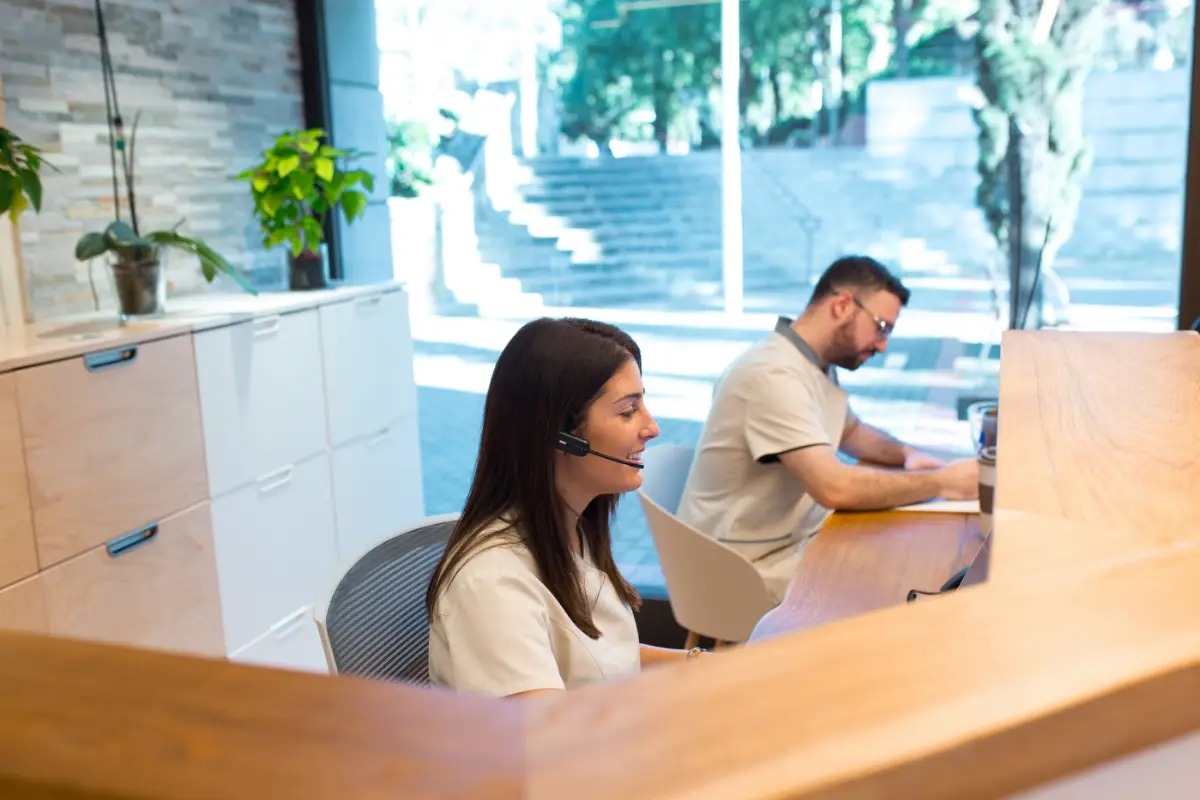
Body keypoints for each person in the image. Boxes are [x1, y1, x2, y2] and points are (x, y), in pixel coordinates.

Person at [426, 317, 709, 699]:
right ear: (561, 437)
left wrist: (709, 666)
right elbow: (547, 744)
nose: (652, 427)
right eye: (628, 411)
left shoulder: (570, 527)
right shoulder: (492, 583)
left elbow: (607, 662)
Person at [677, 256, 980, 601]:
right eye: (882, 327)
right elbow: (833, 487)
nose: (883, 346)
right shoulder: (771, 374)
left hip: (789, 541)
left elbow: (851, 432)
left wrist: (908, 455)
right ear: (842, 305)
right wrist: (943, 482)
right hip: (740, 568)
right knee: (894, 583)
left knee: (910, 561)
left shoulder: (811, 362)